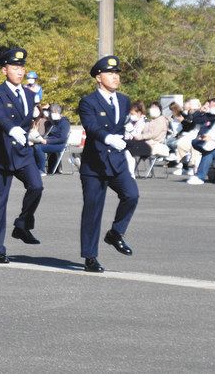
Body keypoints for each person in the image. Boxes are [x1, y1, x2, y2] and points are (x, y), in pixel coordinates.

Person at [78, 55, 139, 273]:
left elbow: (121, 125)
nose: (115, 77)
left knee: (131, 195)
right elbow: (91, 126)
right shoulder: (88, 102)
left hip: (117, 160)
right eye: (110, 73)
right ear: (98, 77)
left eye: (117, 73)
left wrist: (127, 134)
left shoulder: (123, 100)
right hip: (95, 163)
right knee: (93, 210)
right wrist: (108, 137)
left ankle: (115, 233)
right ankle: (90, 256)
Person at [0, 47, 43, 264]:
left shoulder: (30, 95)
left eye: (21, 67)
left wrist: (31, 132)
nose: (19, 71)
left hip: (22, 152)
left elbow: (29, 119)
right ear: (4, 70)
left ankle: (22, 224)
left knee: (36, 186)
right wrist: (12, 129)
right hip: (2, 154)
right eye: (14, 67)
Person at [32, 103, 70, 175]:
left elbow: (62, 138)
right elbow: (46, 134)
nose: (49, 114)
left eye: (51, 112)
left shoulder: (64, 123)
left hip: (59, 144)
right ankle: (33, 168)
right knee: (33, 146)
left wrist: (47, 141)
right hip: (50, 142)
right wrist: (39, 138)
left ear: (56, 112)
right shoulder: (51, 122)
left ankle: (41, 170)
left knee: (38, 147)